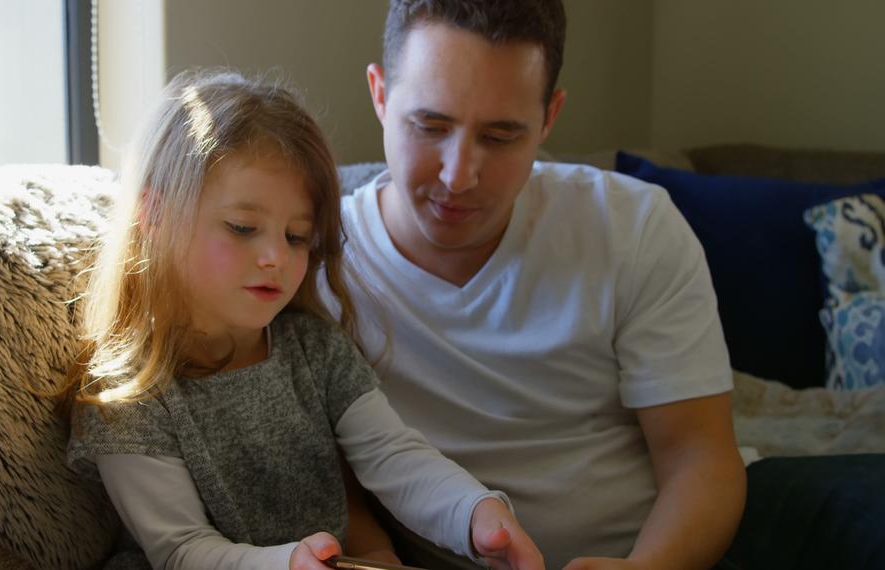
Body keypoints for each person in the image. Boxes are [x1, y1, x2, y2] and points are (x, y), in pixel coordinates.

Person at [61, 70, 545, 570]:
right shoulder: (127, 393)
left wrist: (478, 512)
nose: (275, 255)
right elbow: (180, 550)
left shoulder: (315, 350)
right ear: (156, 216)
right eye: (243, 228)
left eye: (296, 236)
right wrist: (289, 563)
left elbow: (394, 456)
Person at [334, 1, 748, 569]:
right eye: (430, 126)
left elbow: (700, 458)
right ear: (380, 96)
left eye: (500, 136)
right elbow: (328, 471)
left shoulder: (632, 226)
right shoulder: (312, 262)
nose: (458, 175)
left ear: (549, 118)